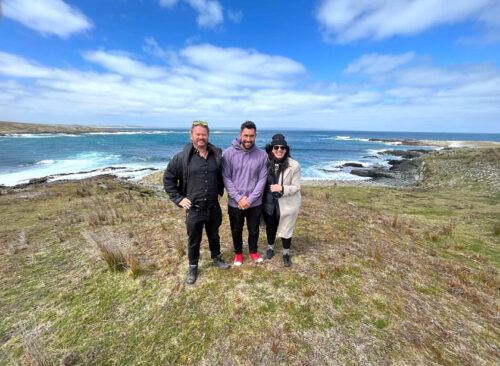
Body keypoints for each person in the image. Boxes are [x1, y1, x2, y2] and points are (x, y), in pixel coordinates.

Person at [163, 121, 230, 285]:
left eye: (204, 134)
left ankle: (216, 257)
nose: (201, 137)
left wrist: (220, 192)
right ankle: (193, 267)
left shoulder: (216, 155)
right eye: (198, 134)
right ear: (191, 136)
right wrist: (179, 199)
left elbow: (222, 176)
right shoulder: (181, 158)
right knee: (194, 239)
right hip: (194, 209)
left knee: (214, 235)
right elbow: (168, 179)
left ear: (208, 136)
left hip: (213, 207)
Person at [222, 121, 268, 266]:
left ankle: (253, 251)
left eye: (251, 136)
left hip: (255, 202)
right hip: (235, 202)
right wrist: (238, 198)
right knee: (236, 229)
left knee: (253, 229)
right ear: (240, 135)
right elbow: (226, 177)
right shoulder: (228, 153)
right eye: (246, 135)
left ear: (255, 136)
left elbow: (262, 180)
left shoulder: (262, 155)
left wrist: (250, 199)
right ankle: (238, 254)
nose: (248, 139)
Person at [263, 134, 301, 267]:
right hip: (269, 201)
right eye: (276, 147)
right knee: (271, 226)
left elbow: (297, 187)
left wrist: (282, 188)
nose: (279, 150)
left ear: (286, 149)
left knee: (286, 227)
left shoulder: (294, 165)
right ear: (271, 149)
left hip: (287, 202)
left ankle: (285, 253)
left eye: (282, 147)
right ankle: (270, 248)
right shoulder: (264, 162)